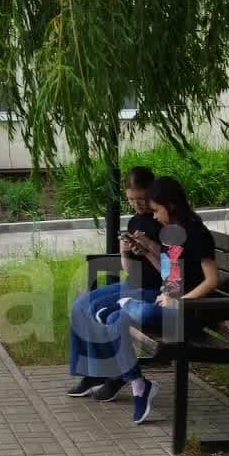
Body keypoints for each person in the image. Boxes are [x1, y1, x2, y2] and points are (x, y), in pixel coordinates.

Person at [66, 174, 222, 424]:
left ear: (171, 205)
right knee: (116, 319)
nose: (155, 217)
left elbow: (212, 280)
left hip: (192, 311)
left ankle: (127, 304)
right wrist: (154, 267)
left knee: (141, 312)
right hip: (171, 302)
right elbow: (170, 276)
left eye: (157, 210)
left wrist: (181, 300)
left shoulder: (196, 233)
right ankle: (139, 386)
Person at [67, 167, 159, 402]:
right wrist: (125, 251)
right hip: (133, 284)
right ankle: (93, 373)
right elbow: (129, 270)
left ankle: (115, 374)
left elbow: (171, 269)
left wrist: (149, 248)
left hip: (152, 289)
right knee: (80, 305)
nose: (137, 205)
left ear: (152, 192)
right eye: (131, 200)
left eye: (141, 199)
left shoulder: (162, 220)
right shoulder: (135, 221)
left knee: (99, 311)